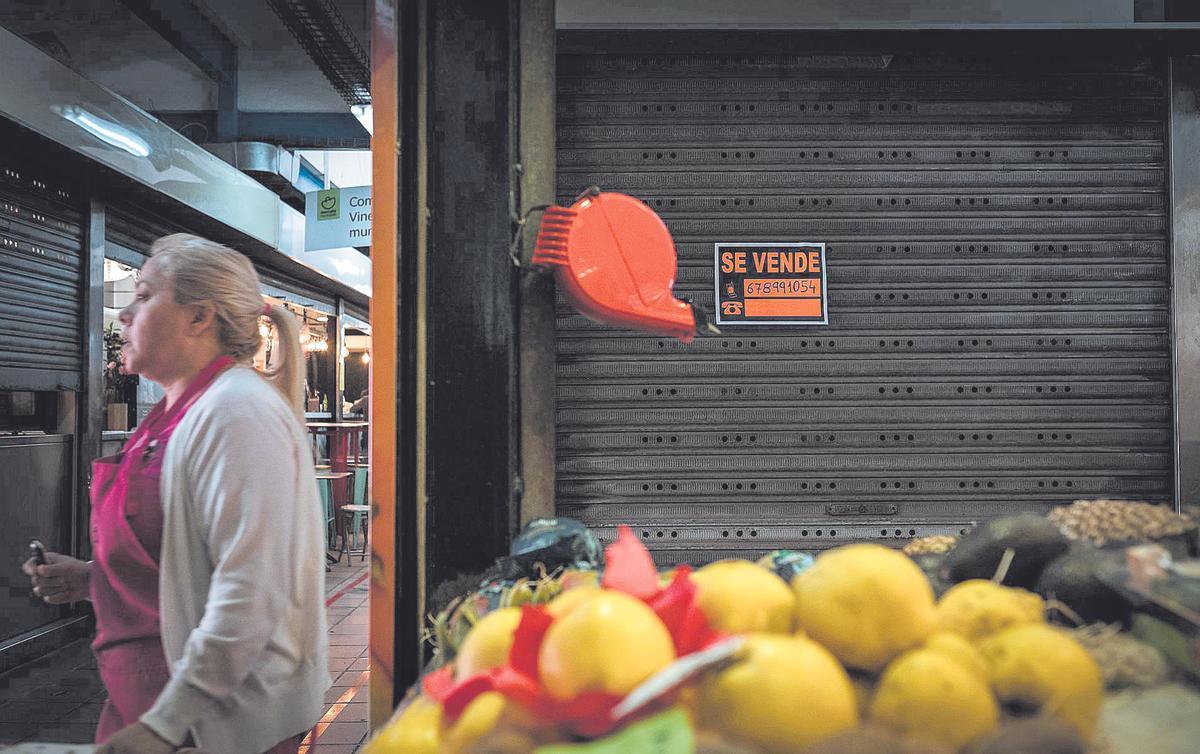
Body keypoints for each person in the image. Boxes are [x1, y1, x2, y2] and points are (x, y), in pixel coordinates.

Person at [24, 234, 329, 754]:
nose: (124, 316)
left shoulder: (236, 413)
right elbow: (187, 561)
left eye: (143, 295)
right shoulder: (176, 411)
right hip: (151, 704)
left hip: (212, 723)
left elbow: (249, 590)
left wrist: (166, 722)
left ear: (198, 317)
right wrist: (94, 579)